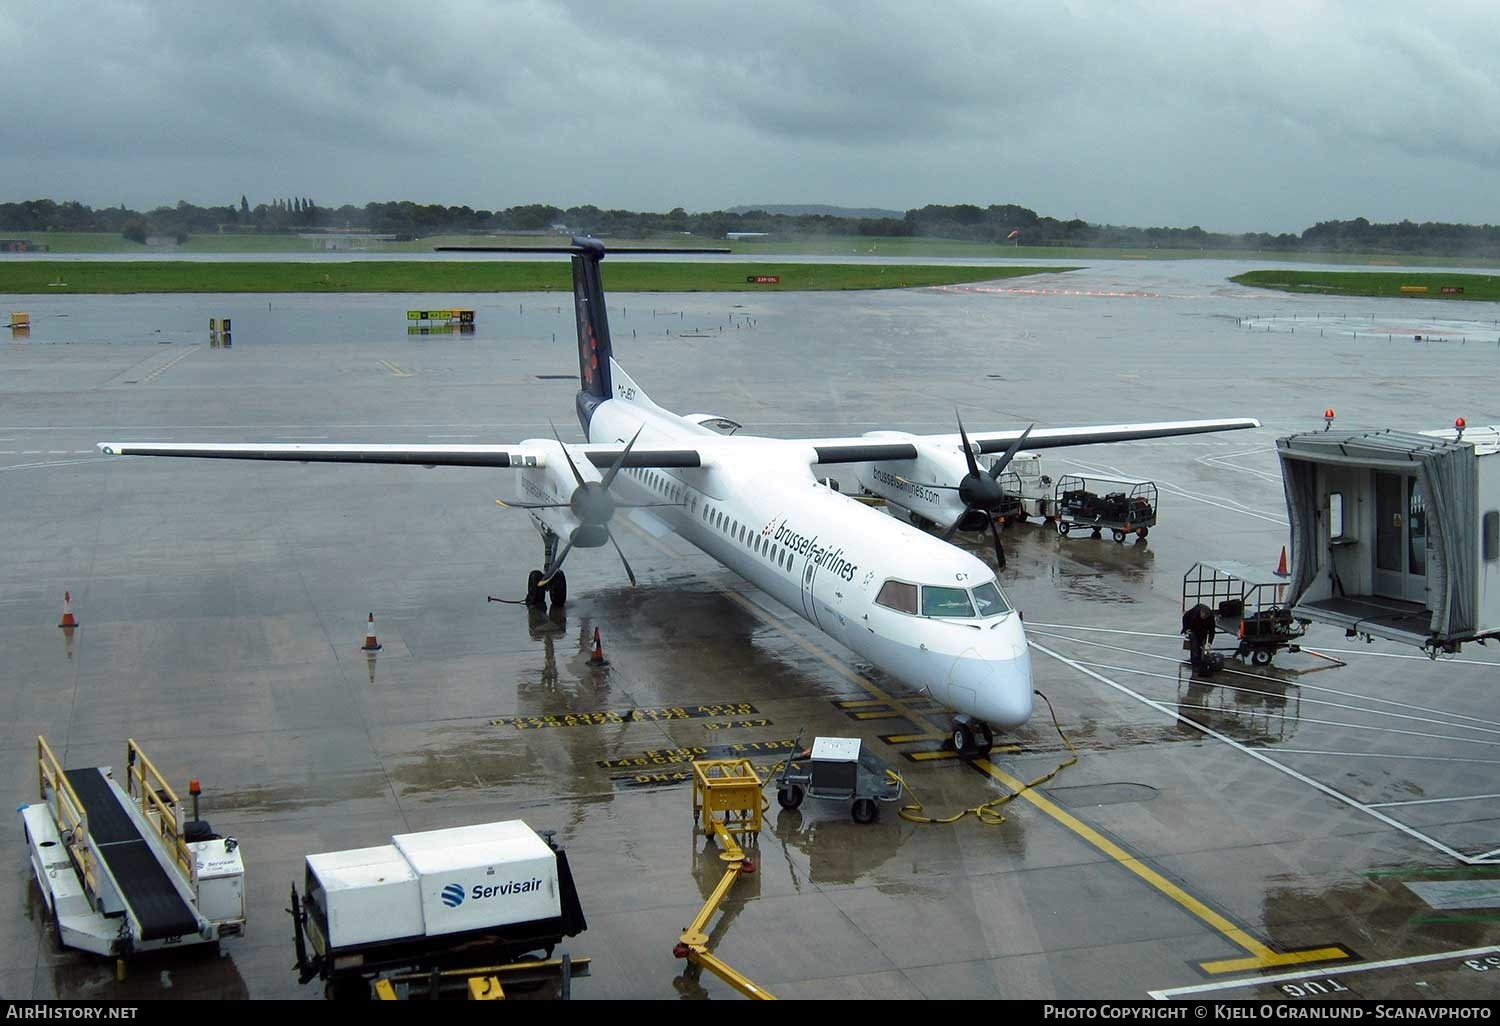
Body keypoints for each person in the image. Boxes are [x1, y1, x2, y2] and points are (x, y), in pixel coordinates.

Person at [1181, 604, 1217, 668]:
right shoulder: (1194, 612)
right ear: (1201, 613)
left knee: (1201, 647)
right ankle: (1194, 665)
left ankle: (1199, 663)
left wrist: (1210, 642)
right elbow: (1185, 617)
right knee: (1194, 646)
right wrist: (1185, 629)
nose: (1204, 617)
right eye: (1203, 616)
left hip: (1203, 630)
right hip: (1193, 628)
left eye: (1206, 617)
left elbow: (1212, 631)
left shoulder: (1210, 617)